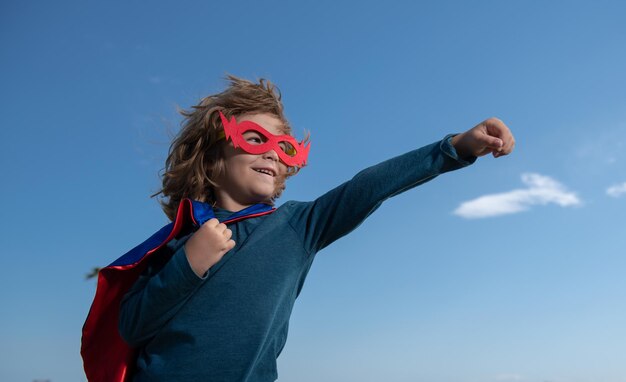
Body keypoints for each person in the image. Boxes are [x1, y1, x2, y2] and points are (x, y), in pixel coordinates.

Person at [81, 76, 515, 382]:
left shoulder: (296, 228)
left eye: (284, 147)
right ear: (212, 158)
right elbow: (132, 328)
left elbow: (366, 188)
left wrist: (453, 148)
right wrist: (188, 264)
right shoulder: (178, 244)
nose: (272, 153)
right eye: (255, 139)